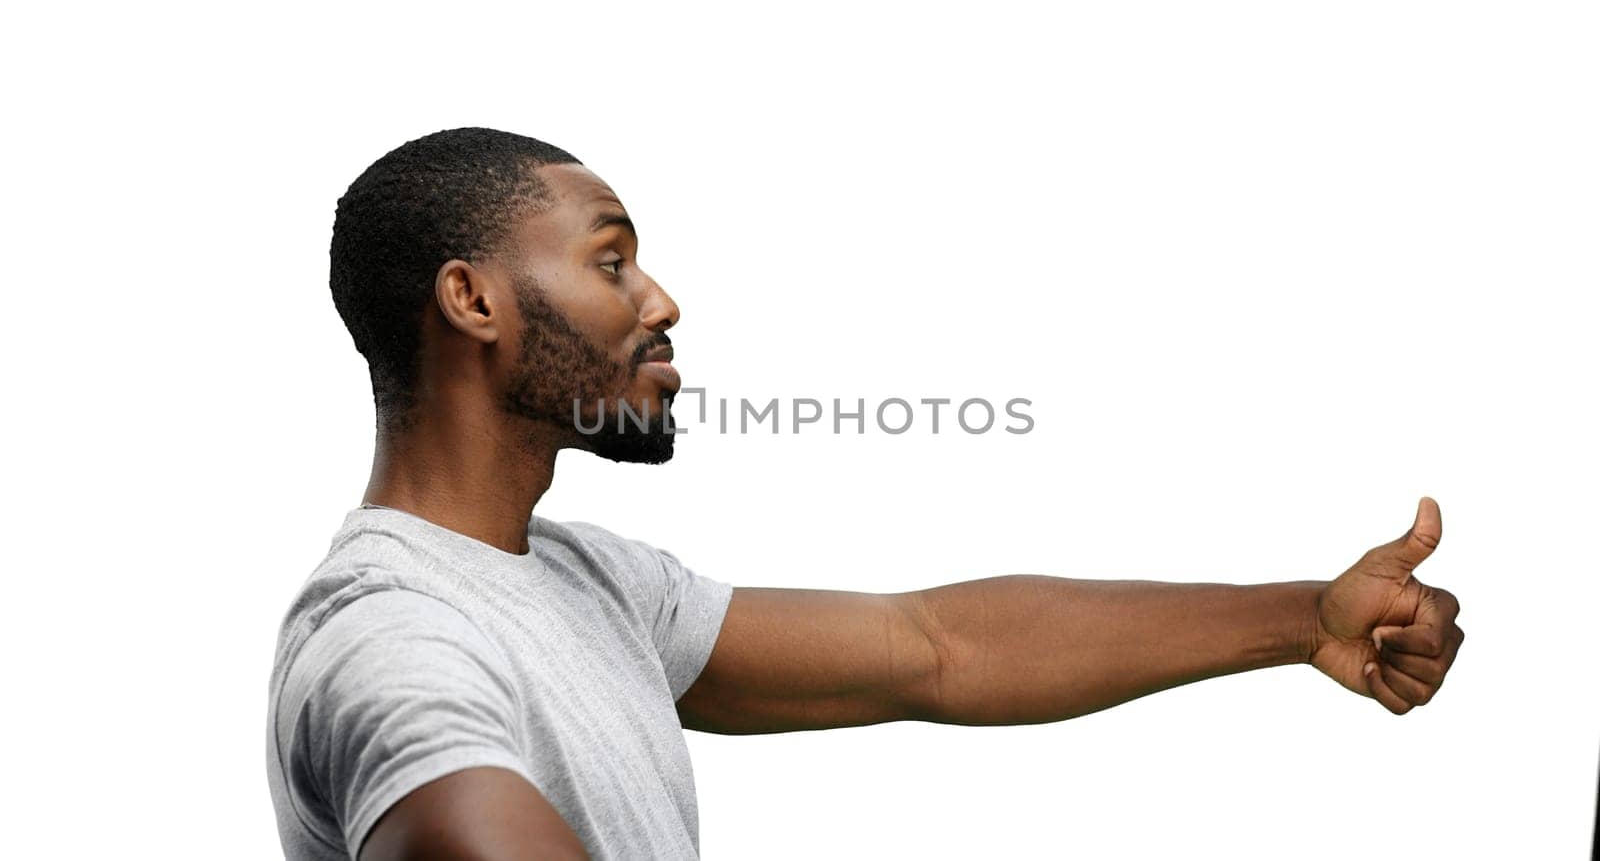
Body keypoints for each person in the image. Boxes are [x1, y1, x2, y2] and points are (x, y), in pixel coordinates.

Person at [264, 127, 1465, 861]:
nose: (661, 301)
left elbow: (932, 647)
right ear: (473, 302)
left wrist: (1303, 617)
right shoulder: (390, 634)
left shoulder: (590, 583)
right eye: (610, 260)